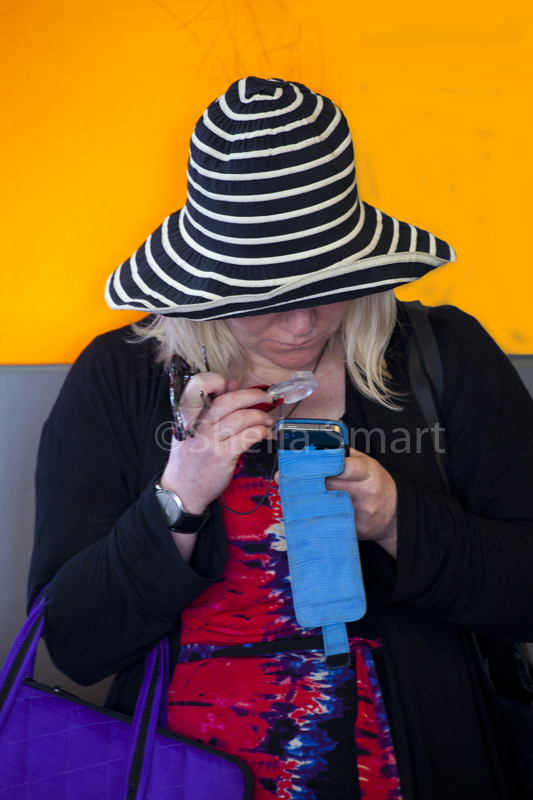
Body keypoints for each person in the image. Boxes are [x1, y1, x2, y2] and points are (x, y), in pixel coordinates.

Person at [28, 77, 533, 800]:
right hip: (186, 777)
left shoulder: (442, 356)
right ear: (205, 282)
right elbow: (75, 645)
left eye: (325, 284)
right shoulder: (121, 378)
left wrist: (398, 521)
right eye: (261, 296)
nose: (298, 326)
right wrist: (177, 501)